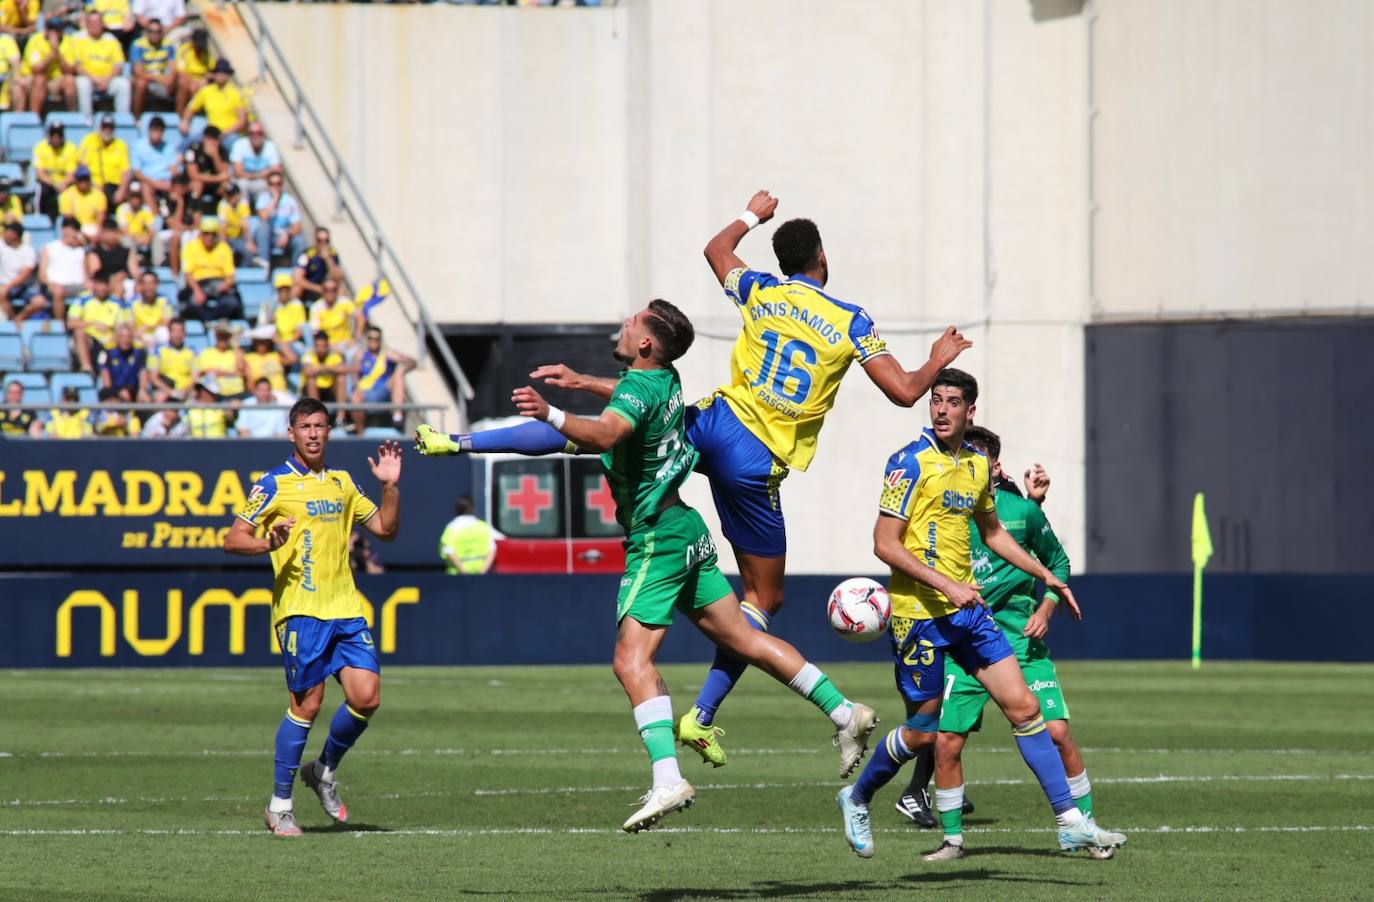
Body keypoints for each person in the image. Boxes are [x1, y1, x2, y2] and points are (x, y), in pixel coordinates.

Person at [414, 191, 970, 767]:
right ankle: (704, 716)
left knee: (624, 430)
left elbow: (716, 248)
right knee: (764, 598)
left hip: (714, 423)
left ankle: (466, 442)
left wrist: (753, 214)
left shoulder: (762, 289)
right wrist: (935, 357)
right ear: (822, 258)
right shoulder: (852, 320)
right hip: (755, 462)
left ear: (784, 261)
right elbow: (905, 391)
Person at [421, 300, 878, 832]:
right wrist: (468, 441)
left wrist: (550, 408)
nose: (623, 321)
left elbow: (601, 433)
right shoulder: (664, 379)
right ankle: (846, 713)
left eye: (632, 321)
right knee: (745, 638)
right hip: (686, 528)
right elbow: (576, 429)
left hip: (657, 540)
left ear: (644, 344)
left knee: (629, 661)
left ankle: (667, 779)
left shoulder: (633, 397)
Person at [833, 368, 1126, 860]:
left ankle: (1070, 821)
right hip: (919, 617)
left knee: (1027, 710)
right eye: (936, 400)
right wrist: (948, 584)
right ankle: (857, 796)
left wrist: (1047, 576)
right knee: (925, 732)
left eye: (952, 402)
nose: (942, 409)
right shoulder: (908, 462)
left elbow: (993, 533)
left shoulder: (974, 465)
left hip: (969, 615)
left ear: (971, 412)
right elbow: (884, 543)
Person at [893, 426, 1114, 858]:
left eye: (974, 458)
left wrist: (1046, 608)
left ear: (994, 466)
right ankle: (953, 840)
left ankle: (1083, 828)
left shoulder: (1020, 514)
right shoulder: (945, 515)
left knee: (1057, 732)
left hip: (1020, 643)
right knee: (946, 741)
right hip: (965, 643)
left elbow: (1058, 561)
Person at [223, 400, 402, 837]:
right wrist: (269, 543)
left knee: (368, 697)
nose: (314, 434)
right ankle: (279, 805)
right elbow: (232, 539)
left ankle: (322, 769)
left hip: (345, 609)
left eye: (321, 426)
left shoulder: (342, 483)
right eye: (305, 427)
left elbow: (385, 529)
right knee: (308, 705)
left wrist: (390, 488)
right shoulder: (273, 484)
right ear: (292, 433)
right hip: (301, 611)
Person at [350, 325, 414, 432]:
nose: (373, 341)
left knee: (398, 375)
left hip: (382, 390)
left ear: (380, 340)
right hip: (365, 392)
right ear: (367, 339)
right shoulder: (360, 355)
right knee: (355, 397)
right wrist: (357, 388)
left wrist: (403, 368)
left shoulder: (387, 353)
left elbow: (412, 362)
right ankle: (360, 433)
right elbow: (355, 375)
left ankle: (397, 415)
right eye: (370, 338)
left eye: (377, 339)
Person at [178, 217, 243, 321]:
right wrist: (197, 291)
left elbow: (230, 275)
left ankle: (213, 321)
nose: (210, 237)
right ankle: (209, 321)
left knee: (232, 303)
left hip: (219, 284)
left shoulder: (224, 248)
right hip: (199, 284)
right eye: (206, 233)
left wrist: (225, 285)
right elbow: (188, 274)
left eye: (213, 234)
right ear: (201, 234)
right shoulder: (190, 247)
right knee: (191, 305)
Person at [71, 12, 129, 117]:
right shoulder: (77, 38)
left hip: (108, 80)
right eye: (91, 22)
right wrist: (94, 79)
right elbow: (76, 66)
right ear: (86, 23)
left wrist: (106, 80)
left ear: (102, 24)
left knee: (123, 84)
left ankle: (122, 120)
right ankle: (86, 120)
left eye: (97, 22)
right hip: (88, 79)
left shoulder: (110, 39)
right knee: (82, 84)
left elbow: (118, 65)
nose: (94, 25)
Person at [67, 272, 127, 373]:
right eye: (100, 284)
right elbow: (71, 323)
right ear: (94, 285)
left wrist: (114, 335)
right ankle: (87, 368)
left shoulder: (116, 303)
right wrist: (93, 324)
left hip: (110, 339)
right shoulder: (83, 300)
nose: (103, 288)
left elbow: (121, 325)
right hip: (90, 339)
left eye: (105, 284)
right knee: (79, 333)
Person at [18, 18, 76, 115]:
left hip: (56, 80)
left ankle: (74, 117)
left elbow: (70, 70)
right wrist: (51, 55)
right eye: (51, 29)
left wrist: (57, 52)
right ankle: (34, 118)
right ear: (46, 29)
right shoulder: (36, 40)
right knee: (40, 80)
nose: (53, 33)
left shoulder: (68, 41)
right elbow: (36, 69)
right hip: (33, 79)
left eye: (56, 30)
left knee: (69, 80)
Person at [38, 217, 88, 322]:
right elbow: (42, 276)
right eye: (71, 229)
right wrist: (51, 283)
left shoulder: (81, 250)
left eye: (75, 230)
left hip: (77, 286)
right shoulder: (49, 248)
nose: (73, 233)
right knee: (58, 291)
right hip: (55, 285)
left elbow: (85, 275)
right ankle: (59, 325)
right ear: (63, 229)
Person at [183, 59, 246, 142]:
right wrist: (185, 121)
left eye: (224, 72)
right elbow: (191, 108)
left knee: (232, 143)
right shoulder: (206, 91)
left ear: (228, 75)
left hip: (230, 134)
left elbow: (242, 120)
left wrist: (225, 133)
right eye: (218, 72)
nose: (221, 74)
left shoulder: (235, 93)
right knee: (187, 144)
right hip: (211, 133)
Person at [439, 495, 503, 575]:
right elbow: (492, 549)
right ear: (473, 508)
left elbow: (449, 551)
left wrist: (464, 573)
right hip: (480, 577)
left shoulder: (451, 529)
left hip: (457, 577)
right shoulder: (484, 527)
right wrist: (482, 573)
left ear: (457, 509)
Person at [253, 171, 303, 266]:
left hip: (282, 236)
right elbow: (264, 217)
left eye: (278, 184)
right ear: (268, 185)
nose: (276, 187)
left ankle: (297, 271)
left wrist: (287, 234)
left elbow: (297, 227)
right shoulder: (263, 198)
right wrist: (275, 199)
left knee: (299, 241)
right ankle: (264, 262)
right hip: (266, 236)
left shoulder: (290, 201)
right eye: (272, 184)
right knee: (264, 226)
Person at [131, 115, 182, 208]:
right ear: (149, 130)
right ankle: (156, 219)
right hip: (148, 181)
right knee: (146, 188)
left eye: (160, 131)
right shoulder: (138, 146)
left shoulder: (168, 147)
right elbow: (137, 173)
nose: (157, 134)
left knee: (180, 188)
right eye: (154, 130)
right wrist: (155, 183)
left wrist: (171, 180)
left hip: (166, 182)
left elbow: (174, 169)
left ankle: (174, 219)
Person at [130, 16, 175, 117]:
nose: (154, 34)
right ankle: (137, 118)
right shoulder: (138, 45)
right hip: (147, 78)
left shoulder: (168, 45)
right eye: (151, 31)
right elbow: (138, 71)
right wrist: (158, 78)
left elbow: (173, 67)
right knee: (141, 83)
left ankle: (179, 118)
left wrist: (170, 78)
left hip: (162, 77)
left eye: (157, 31)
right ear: (146, 32)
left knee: (181, 80)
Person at [33, 122, 79, 219]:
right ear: (49, 135)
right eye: (53, 134)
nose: (56, 137)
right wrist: (54, 184)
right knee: (42, 189)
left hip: (65, 183)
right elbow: (40, 173)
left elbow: (72, 173)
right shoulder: (40, 147)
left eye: (59, 135)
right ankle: (41, 217)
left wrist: (63, 184)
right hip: (49, 183)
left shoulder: (71, 148)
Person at [183, 124, 229, 216]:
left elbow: (224, 173)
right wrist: (217, 178)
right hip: (194, 183)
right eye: (212, 139)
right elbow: (193, 175)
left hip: (213, 185)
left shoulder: (221, 150)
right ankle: (191, 216)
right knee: (197, 185)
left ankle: (226, 217)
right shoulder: (193, 149)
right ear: (205, 139)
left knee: (226, 185)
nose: (215, 143)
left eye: (217, 140)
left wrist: (215, 156)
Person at [0, 220, 42, 322]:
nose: (4, 233)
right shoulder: (1, 246)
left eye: (8, 231)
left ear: (15, 234)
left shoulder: (28, 251)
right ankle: (11, 320)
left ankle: (20, 318)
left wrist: (8, 286)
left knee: (40, 302)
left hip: (23, 286)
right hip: (3, 284)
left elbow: (25, 274)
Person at [229, 122, 282, 202]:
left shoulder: (270, 146)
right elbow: (238, 173)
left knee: (265, 185)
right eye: (252, 133)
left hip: (261, 181)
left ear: (263, 134)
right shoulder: (239, 145)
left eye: (259, 133)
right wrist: (261, 174)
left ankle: (262, 210)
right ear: (247, 134)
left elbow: (277, 169)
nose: (255, 136)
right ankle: (244, 212)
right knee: (243, 184)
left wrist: (266, 173)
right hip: (243, 180)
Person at [194, 319, 246, 398]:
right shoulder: (206, 353)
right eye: (220, 336)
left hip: (237, 394)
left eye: (226, 336)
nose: (223, 339)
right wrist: (230, 373)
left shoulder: (236, 353)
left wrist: (235, 345)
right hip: (213, 395)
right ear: (215, 335)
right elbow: (202, 373)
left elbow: (241, 370)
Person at [148, 316, 194, 400]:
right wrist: (171, 392)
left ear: (185, 333)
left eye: (181, 331)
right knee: (161, 396)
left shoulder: (192, 352)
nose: (178, 334)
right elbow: (153, 377)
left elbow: (195, 377)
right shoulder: (157, 351)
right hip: (166, 390)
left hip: (186, 391)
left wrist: (185, 391)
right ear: (169, 332)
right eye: (175, 331)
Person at [100, 322, 149, 400]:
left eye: (128, 337)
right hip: (114, 390)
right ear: (117, 337)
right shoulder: (108, 352)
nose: (125, 340)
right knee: (122, 394)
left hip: (133, 389)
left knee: (145, 398)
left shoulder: (139, 352)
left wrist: (142, 389)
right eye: (122, 336)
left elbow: (143, 371)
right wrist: (114, 393)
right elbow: (105, 375)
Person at [294, 228, 341, 304]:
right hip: (309, 287)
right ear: (315, 241)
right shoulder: (307, 255)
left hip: (327, 288)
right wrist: (318, 288)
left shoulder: (333, 254)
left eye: (326, 241)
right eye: (320, 240)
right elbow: (297, 278)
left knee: (341, 292)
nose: (323, 243)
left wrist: (328, 260)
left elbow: (338, 279)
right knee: (297, 289)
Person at [308, 279, 355, 355]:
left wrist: (357, 337)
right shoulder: (316, 308)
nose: (331, 293)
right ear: (322, 292)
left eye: (334, 290)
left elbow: (360, 316)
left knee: (359, 354)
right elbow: (315, 333)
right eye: (327, 290)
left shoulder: (344, 302)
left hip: (346, 342)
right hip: (326, 345)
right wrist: (331, 346)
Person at [173, 26, 213, 116]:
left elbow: (211, 70)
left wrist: (205, 79)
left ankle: (197, 115)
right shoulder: (184, 50)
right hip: (187, 80)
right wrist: (194, 82)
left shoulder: (206, 53)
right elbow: (181, 72)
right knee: (185, 84)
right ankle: (180, 115)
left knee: (199, 88)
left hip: (201, 82)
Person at [59, 166, 109, 237]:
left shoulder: (98, 195)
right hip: (75, 228)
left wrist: (98, 233)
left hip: (93, 227)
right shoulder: (66, 195)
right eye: (80, 179)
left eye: (85, 179)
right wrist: (81, 234)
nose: (83, 182)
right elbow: (68, 218)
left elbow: (101, 218)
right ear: (75, 180)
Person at [87, 216, 138, 285]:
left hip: (125, 283)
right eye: (108, 232)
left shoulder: (126, 252)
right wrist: (113, 278)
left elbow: (135, 273)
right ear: (102, 233)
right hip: (104, 286)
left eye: (114, 232)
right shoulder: (95, 253)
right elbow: (96, 275)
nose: (112, 235)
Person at [300, 332, 346, 408]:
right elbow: (308, 371)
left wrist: (321, 368)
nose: (321, 349)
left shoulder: (334, 356)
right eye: (318, 346)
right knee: (311, 380)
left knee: (341, 378)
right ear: (314, 346)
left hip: (329, 389)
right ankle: (316, 410)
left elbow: (345, 369)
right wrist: (332, 368)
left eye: (323, 346)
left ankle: (341, 416)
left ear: (328, 346)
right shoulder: (308, 356)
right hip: (309, 391)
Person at [128, 270, 172, 347]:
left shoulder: (164, 301)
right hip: (140, 337)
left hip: (156, 336)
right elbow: (131, 327)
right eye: (146, 283)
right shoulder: (133, 303)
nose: (149, 287)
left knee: (163, 332)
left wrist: (148, 326)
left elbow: (167, 322)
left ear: (157, 285)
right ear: (141, 285)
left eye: (152, 283)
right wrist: (142, 339)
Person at [217, 183, 258, 263]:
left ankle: (245, 272)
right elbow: (222, 228)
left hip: (239, 236)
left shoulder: (243, 203)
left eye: (233, 195)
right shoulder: (223, 204)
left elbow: (245, 225)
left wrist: (249, 242)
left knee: (249, 251)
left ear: (238, 195)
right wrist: (223, 245)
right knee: (223, 253)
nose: (231, 198)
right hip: (227, 236)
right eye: (229, 196)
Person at [116, 183, 156, 261]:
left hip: (143, 237)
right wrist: (137, 238)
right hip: (130, 237)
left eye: (137, 197)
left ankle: (158, 262)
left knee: (157, 237)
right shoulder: (122, 209)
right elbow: (124, 230)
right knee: (126, 239)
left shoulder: (146, 209)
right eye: (133, 197)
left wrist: (148, 237)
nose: (135, 200)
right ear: (129, 197)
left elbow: (152, 229)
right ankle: (133, 261)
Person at [243, 325, 288, 394]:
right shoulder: (248, 357)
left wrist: (278, 341)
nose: (262, 344)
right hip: (261, 396)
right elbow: (249, 380)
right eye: (259, 342)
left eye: (264, 341)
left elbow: (292, 359)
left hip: (280, 394)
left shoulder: (275, 355)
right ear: (254, 342)